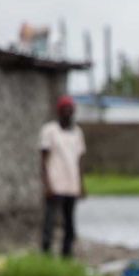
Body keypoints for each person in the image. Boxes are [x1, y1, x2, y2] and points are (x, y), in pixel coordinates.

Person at [40, 95, 85, 257]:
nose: (68, 112)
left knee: (69, 222)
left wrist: (81, 185)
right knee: (50, 221)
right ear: (59, 111)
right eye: (65, 109)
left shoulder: (77, 133)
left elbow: (79, 161)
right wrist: (47, 184)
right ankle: (45, 252)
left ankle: (67, 253)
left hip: (71, 184)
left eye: (70, 109)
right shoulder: (49, 131)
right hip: (55, 184)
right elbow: (43, 160)